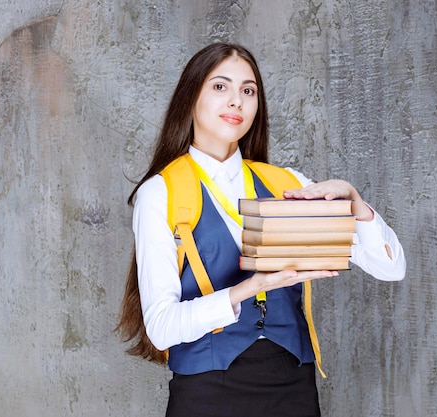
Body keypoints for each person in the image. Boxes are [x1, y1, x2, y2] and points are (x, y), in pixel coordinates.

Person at [116, 42, 406, 417]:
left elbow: (390, 268)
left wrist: (356, 204)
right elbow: (161, 327)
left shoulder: (287, 184)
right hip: (206, 392)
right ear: (190, 98)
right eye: (220, 87)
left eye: (248, 90)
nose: (236, 101)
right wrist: (248, 288)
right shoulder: (161, 194)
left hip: (294, 389)